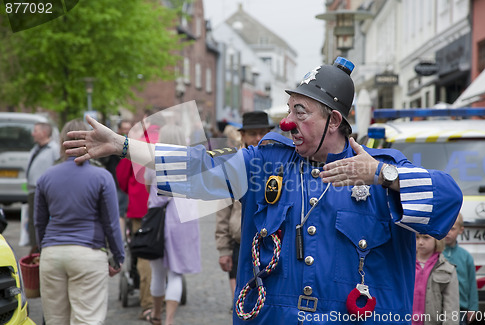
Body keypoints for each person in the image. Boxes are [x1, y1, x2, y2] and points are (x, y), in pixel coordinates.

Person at [63, 57, 463, 325]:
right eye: (288, 109)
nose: (287, 122)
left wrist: (382, 175)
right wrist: (124, 145)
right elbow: (202, 168)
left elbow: (448, 200)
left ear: (335, 120)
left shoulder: (382, 168)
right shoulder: (267, 162)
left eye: (300, 113)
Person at [34, 119, 124, 325]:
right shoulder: (102, 177)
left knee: (55, 320)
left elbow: (39, 223)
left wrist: (43, 250)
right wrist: (118, 257)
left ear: (61, 141)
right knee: (87, 319)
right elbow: (111, 222)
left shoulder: (46, 177)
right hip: (88, 253)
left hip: (52, 254)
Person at [145, 125, 201, 325]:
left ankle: (157, 314)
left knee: (158, 272)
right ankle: (169, 320)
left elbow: (147, 184)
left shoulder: (155, 161)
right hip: (184, 218)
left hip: (159, 219)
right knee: (175, 273)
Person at [215, 111, 273, 303]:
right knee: (242, 299)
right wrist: (224, 249)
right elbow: (223, 209)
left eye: (262, 133)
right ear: (244, 136)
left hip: (271, 243)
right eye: (253, 134)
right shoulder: (235, 165)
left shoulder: (278, 164)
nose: (258, 138)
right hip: (241, 240)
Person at [116, 112, 159, 320]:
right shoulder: (171, 142)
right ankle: (167, 296)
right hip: (168, 208)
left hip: (141, 209)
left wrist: (133, 190)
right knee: (165, 250)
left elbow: (122, 179)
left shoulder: (135, 144)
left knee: (144, 254)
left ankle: (149, 303)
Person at [27, 121, 59, 254]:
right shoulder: (36, 148)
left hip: (46, 191)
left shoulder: (54, 149)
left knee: (42, 220)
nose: (32, 133)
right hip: (33, 190)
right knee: (33, 221)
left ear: (44, 133)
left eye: (35, 131)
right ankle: (35, 248)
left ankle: (43, 248)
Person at [413, 234, 459, 325]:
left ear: (437, 239)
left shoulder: (448, 269)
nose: (420, 242)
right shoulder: (404, 266)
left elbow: (451, 307)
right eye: (417, 237)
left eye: (426, 237)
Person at [443, 213, 478, 325]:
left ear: (460, 230)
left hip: (461, 309)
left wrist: (473, 307)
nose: (448, 232)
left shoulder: (465, 256)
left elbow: (472, 283)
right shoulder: (435, 253)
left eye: (452, 229)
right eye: (445, 228)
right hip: (439, 307)